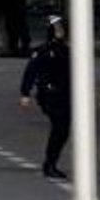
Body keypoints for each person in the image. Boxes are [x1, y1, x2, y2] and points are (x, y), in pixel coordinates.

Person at [20, 14, 71, 179]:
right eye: (56, 29)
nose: (59, 32)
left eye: (61, 29)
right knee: (59, 128)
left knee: (63, 131)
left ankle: (51, 162)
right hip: (50, 94)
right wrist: (25, 93)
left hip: (66, 95)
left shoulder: (68, 51)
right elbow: (31, 72)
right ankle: (50, 164)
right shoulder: (43, 51)